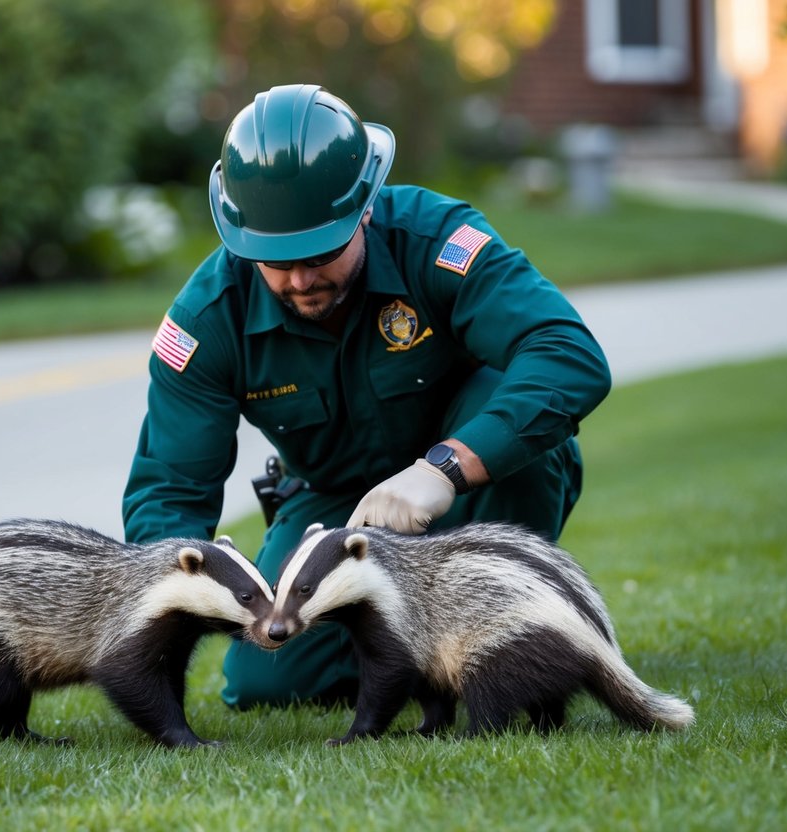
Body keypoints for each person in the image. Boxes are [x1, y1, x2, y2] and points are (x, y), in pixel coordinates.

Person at [121, 83, 611, 708]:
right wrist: (172, 608)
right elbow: (168, 489)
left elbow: (568, 355)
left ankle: (501, 641)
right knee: (270, 681)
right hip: (332, 506)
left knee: (526, 437)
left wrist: (446, 468)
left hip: (468, 480)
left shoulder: (438, 241)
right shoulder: (206, 320)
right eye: (273, 258)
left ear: (367, 209)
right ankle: (412, 657)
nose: (298, 279)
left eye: (319, 252)